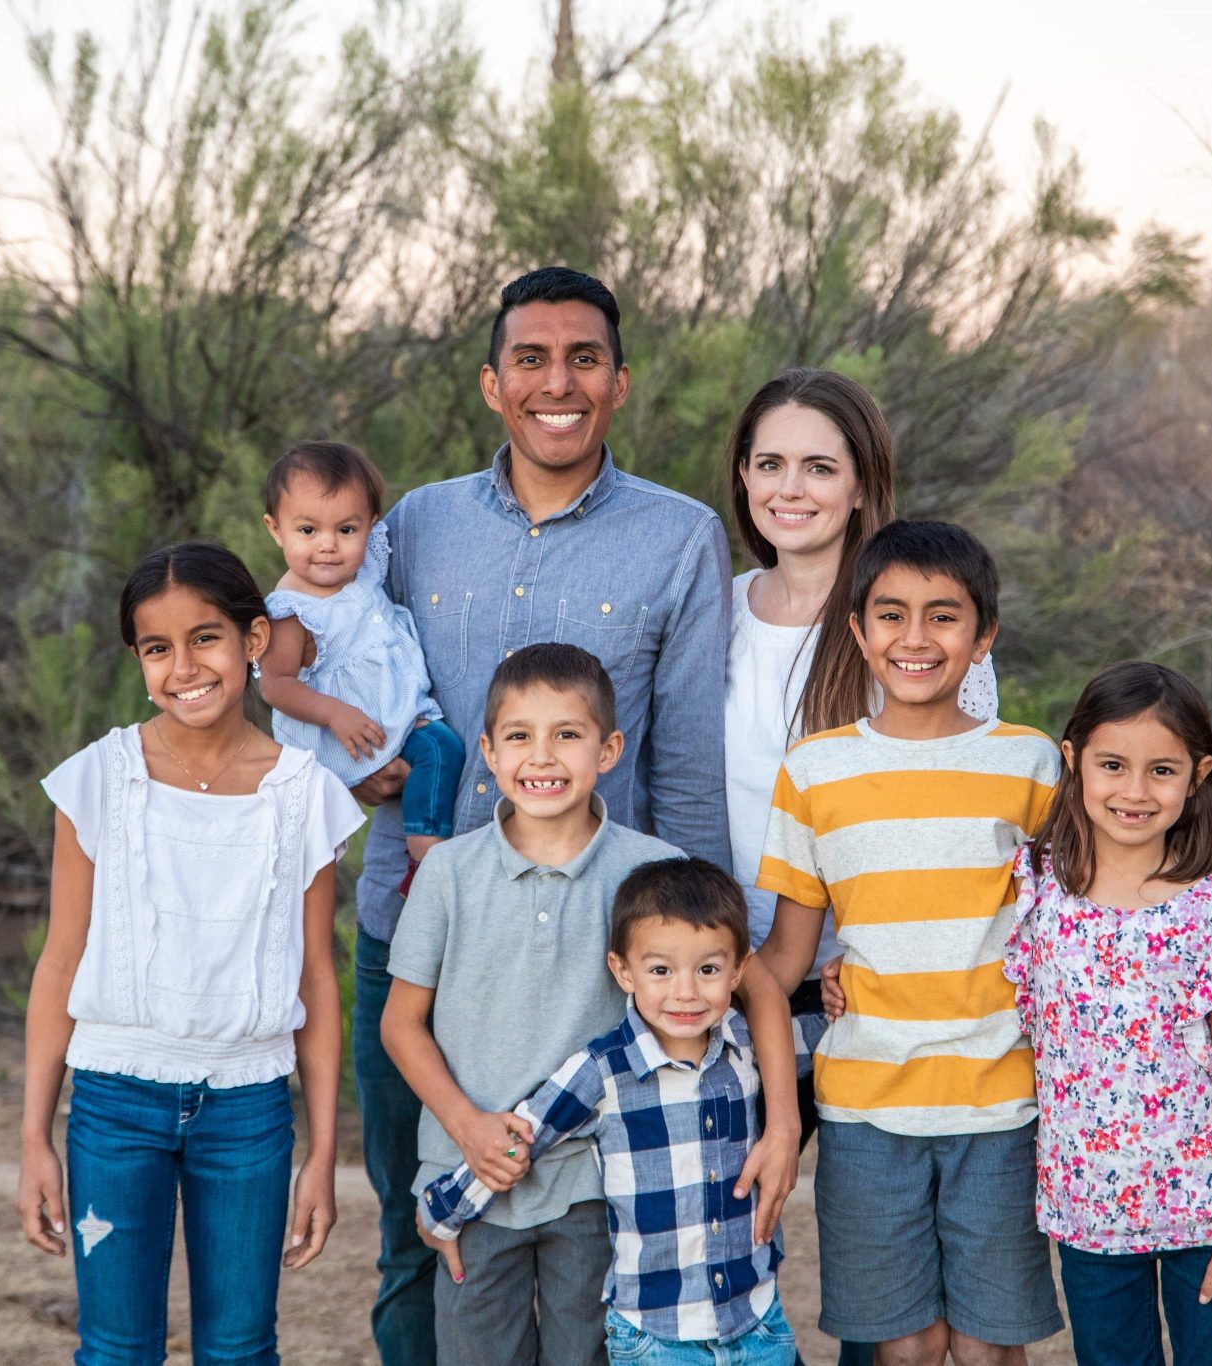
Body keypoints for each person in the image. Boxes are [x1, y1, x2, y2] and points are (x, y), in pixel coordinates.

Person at [349, 267, 744, 1364]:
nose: (555, 382)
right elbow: (353, 669)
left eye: (582, 359)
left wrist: (699, 966)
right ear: (491, 382)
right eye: (530, 358)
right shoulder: (416, 526)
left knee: (595, 1240)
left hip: (602, 955)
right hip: (421, 929)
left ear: (618, 382)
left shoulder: (678, 537)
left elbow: (689, 766)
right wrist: (353, 759)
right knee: (420, 1229)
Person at [380, 646, 800, 1366]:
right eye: (519, 736)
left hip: (599, 1181)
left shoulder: (650, 870)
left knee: (588, 1354)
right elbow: (399, 1023)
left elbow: (757, 985)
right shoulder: (447, 873)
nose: (541, 756)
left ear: (608, 749)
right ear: (487, 750)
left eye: (566, 734)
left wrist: (783, 1125)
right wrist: (467, 1127)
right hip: (472, 1172)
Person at [13, 542, 361, 1364]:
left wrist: (321, 1152)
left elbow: (316, 976)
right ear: (138, 660)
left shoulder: (304, 795)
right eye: (157, 648)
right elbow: (61, 960)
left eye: (205, 638)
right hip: (113, 1105)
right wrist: (35, 1137)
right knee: (116, 1351)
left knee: (240, 1349)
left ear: (252, 641)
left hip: (248, 1112)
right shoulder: (100, 780)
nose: (184, 668)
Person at [723, 368, 996, 1366]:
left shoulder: (907, 619)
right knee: (732, 1243)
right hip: (739, 978)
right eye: (768, 463)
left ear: (859, 482)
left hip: (887, 993)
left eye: (817, 465)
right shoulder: (712, 613)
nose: (789, 487)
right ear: (741, 478)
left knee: (893, 1292)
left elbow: (971, 814)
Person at [754, 520, 1066, 1366]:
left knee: (987, 1344)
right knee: (907, 1345)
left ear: (984, 634)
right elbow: (784, 958)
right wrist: (679, 979)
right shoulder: (815, 772)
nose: (916, 638)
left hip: (1001, 1102)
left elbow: (1093, 916)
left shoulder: (1032, 767)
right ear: (856, 631)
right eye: (890, 615)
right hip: (863, 1110)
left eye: (943, 616)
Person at [417, 858, 828, 1366]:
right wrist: (443, 1211)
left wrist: (844, 997)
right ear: (622, 970)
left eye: (708, 970)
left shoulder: (749, 1047)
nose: (685, 992)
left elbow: (837, 1039)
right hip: (654, 1339)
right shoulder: (604, 1069)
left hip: (757, 1322)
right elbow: (521, 1136)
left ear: (739, 969)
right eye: (660, 970)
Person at [1000, 662, 1212, 1365]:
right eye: (1112, 764)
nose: (1134, 790)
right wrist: (843, 966)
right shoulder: (1038, 891)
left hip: (1202, 1212)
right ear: (1074, 761)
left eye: (1161, 770)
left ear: (1198, 774)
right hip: (1088, 1209)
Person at [257, 439, 466, 876]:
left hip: (393, 714)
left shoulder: (364, 568)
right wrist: (336, 714)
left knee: (441, 748)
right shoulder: (293, 611)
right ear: (276, 530)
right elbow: (275, 685)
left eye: (347, 530)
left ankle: (427, 839)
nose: (328, 546)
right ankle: (426, 848)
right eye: (307, 531)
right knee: (310, 845)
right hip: (345, 730)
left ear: (370, 527)